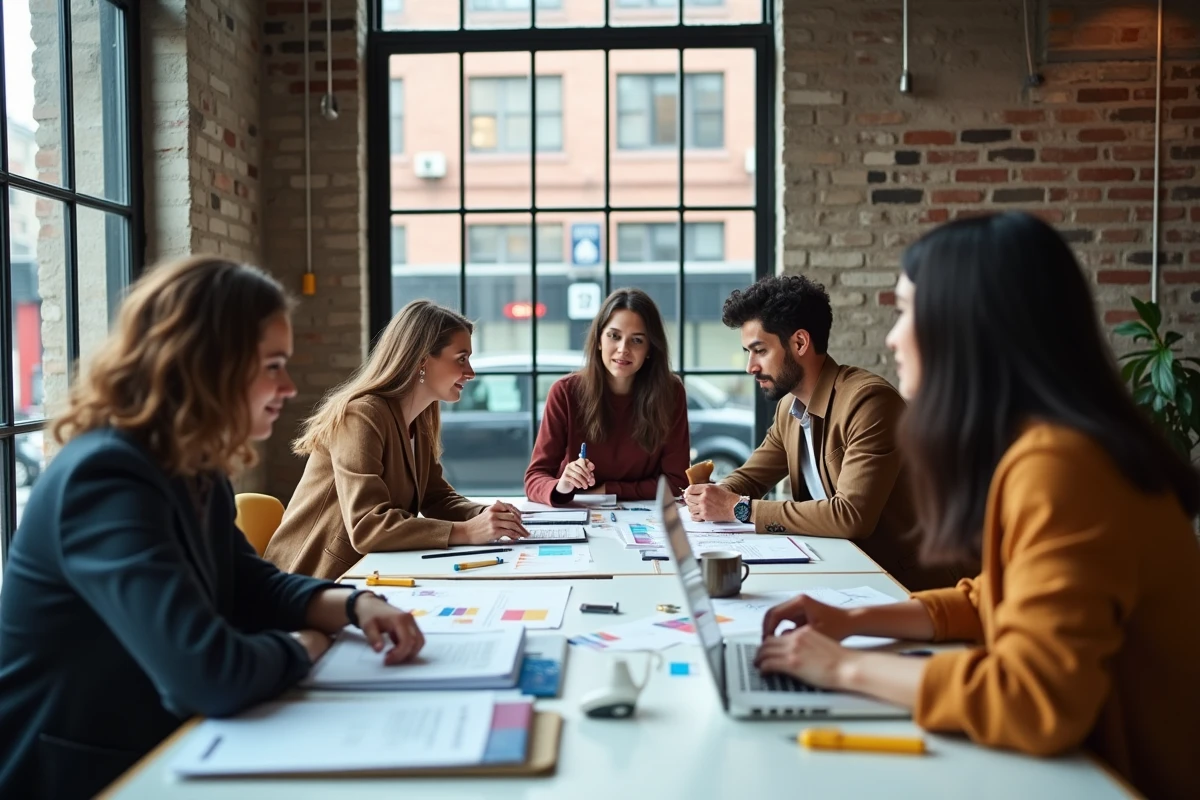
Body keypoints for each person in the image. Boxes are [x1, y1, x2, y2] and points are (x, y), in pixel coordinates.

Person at [755, 213, 1200, 799]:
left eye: (907, 310)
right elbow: (993, 595)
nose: (892, 337)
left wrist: (841, 668)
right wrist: (854, 621)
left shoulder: (1062, 467)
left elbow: (1031, 698)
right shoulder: (1053, 446)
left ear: (966, 325)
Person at [0, 256, 425, 800]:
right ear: (206, 364)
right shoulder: (104, 476)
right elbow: (208, 674)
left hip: (167, 748)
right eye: (273, 365)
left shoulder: (192, 467)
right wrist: (306, 644)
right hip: (89, 774)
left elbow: (250, 582)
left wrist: (351, 605)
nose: (291, 386)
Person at [684, 275, 960, 591]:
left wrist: (737, 508)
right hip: (843, 574)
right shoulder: (790, 407)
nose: (750, 367)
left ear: (800, 343)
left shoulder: (869, 402)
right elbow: (750, 478)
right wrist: (711, 497)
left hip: (905, 585)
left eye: (759, 350)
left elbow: (851, 515)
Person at [265, 300, 529, 579]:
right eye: (461, 358)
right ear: (422, 360)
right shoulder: (361, 415)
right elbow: (368, 525)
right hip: (314, 578)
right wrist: (466, 531)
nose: (471, 372)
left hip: (370, 571)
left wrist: (488, 515)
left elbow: (436, 497)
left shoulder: (419, 418)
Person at [525, 288, 690, 504]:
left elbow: (677, 482)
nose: (623, 349)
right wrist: (561, 485)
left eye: (637, 340)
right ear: (599, 340)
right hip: (577, 513)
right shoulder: (565, 392)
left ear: (650, 348)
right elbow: (535, 478)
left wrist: (607, 490)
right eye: (614, 336)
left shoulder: (671, 392)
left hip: (646, 519)